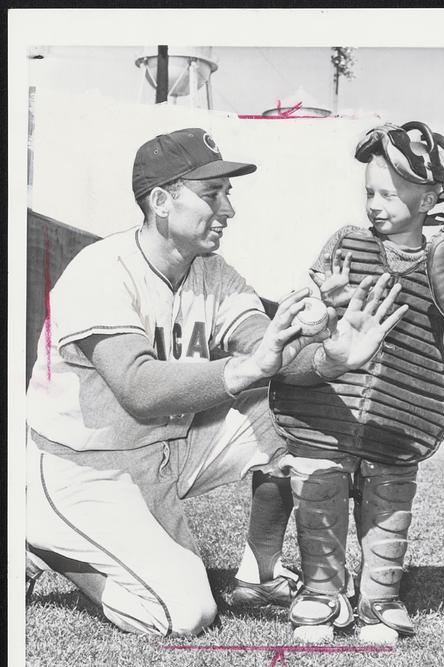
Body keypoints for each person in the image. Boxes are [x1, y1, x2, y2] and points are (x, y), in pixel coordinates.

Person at [25, 126, 408, 637]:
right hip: (83, 468)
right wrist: (252, 366)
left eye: (227, 193)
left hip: (167, 455)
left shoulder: (212, 271)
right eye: (212, 194)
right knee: (185, 615)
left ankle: (260, 571)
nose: (228, 208)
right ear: (161, 201)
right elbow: (139, 390)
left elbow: (265, 349)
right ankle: (42, 543)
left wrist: (327, 359)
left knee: (285, 408)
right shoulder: (102, 270)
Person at [239, 121, 444, 644]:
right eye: (371, 191)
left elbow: (441, 346)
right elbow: (311, 318)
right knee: (319, 487)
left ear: (431, 195)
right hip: (329, 406)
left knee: (389, 501)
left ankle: (380, 599)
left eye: (389, 193)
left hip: (399, 410)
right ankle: (322, 593)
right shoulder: (347, 242)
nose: (376, 203)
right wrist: (333, 300)